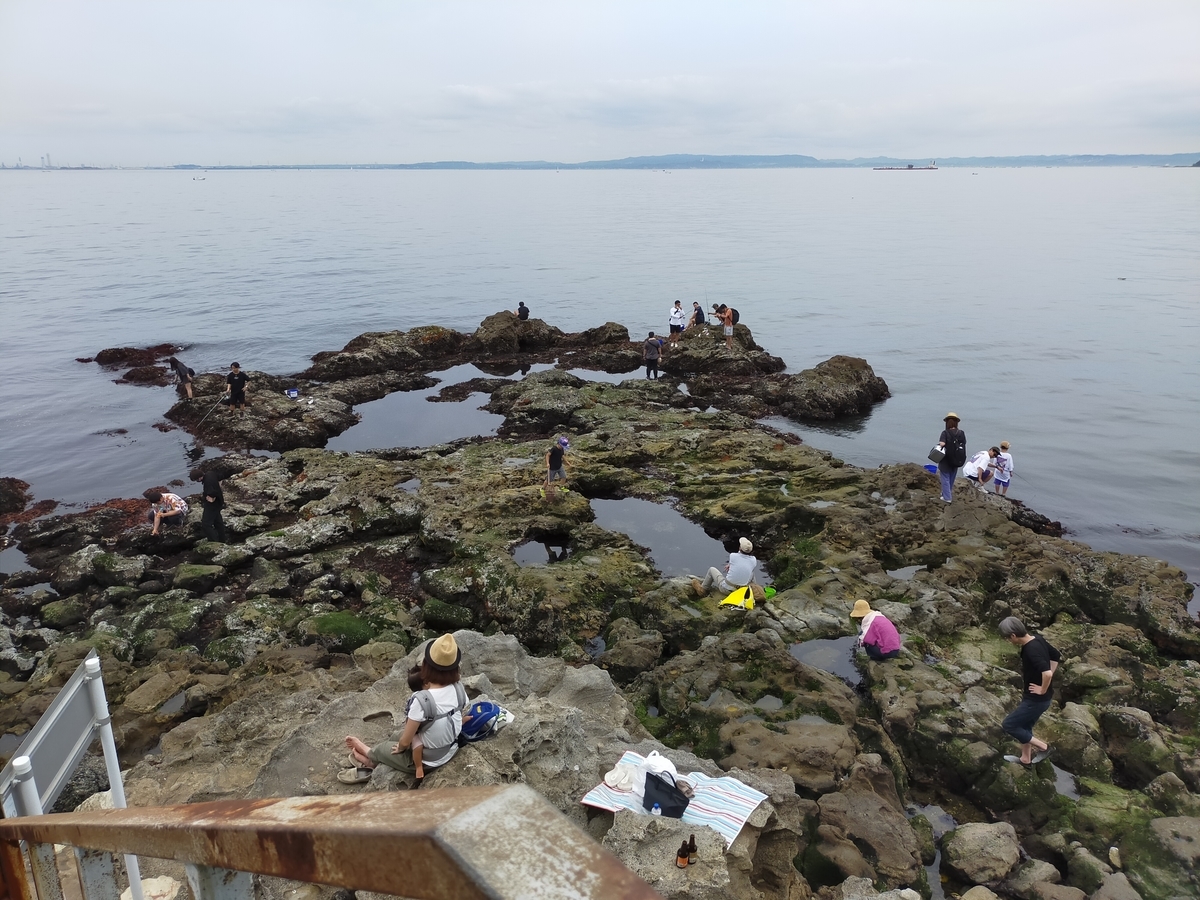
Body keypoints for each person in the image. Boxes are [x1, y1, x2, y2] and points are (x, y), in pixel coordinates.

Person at [343, 634, 466, 787]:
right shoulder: (458, 688)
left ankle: (369, 757)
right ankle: (376, 761)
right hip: (451, 748)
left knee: (385, 748)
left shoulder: (422, 700)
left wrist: (401, 747)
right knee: (396, 735)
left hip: (430, 760)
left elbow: (406, 741)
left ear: (427, 665)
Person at [998, 617, 1060, 766]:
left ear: (1013, 635)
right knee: (1025, 726)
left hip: (1036, 700)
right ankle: (1025, 759)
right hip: (1036, 697)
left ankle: (1044, 747)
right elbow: (1056, 655)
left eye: (1007, 638)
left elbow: (1047, 674)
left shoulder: (1031, 650)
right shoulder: (1037, 639)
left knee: (1009, 725)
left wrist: (1042, 688)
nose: (1008, 641)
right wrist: (1045, 684)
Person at [693, 537, 757, 596]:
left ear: (740, 548)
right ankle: (755, 590)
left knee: (711, 570)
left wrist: (730, 564)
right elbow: (743, 563)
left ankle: (703, 589)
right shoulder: (754, 560)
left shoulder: (733, 556)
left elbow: (738, 557)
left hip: (726, 590)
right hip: (741, 592)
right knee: (752, 573)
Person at [935, 413, 967, 503]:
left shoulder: (945, 432)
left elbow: (942, 444)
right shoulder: (961, 433)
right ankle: (945, 494)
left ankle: (947, 498)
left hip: (946, 459)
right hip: (957, 459)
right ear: (956, 423)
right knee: (952, 478)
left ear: (947, 423)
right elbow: (963, 443)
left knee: (945, 477)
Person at [200, 470, 227, 543]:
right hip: (219, 501)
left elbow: (212, 493)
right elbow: (220, 477)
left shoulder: (207, 482)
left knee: (206, 524)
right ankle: (222, 540)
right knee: (218, 522)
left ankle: (213, 541)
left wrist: (209, 498)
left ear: (199, 477)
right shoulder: (210, 473)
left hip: (212, 504)